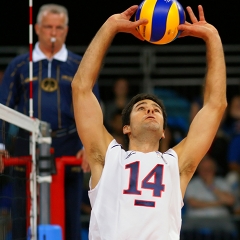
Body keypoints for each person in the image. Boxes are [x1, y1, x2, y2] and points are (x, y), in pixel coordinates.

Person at [72, 4, 227, 239]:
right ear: (126, 127)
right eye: (141, 108)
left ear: (164, 131)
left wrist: (212, 37)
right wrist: (110, 27)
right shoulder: (108, 158)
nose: (150, 111)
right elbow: (81, 89)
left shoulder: (177, 164)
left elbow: (216, 105)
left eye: (156, 109)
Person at [0, 3, 100, 240]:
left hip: (69, 146)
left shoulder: (80, 66)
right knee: (22, 217)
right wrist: (1, 147)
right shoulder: (20, 66)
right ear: (37, 29)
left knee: (70, 219)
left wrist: (89, 148)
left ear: (66, 30)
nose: (53, 33)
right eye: (48, 27)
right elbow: (3, 108)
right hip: (27, 147)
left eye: (58, 27)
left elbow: (95, 111)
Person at [183, 154, 236, 235]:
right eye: (203, 169)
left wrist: (211, 186)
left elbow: (230, 201)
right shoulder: (192, 184)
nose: (206, 171)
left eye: (209, 168)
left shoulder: (222, 182)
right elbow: (193, 203)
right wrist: (220, 203)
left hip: (220, 220)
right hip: (196, 220)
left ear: (214, 169)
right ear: (198, 170)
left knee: (231, 228)